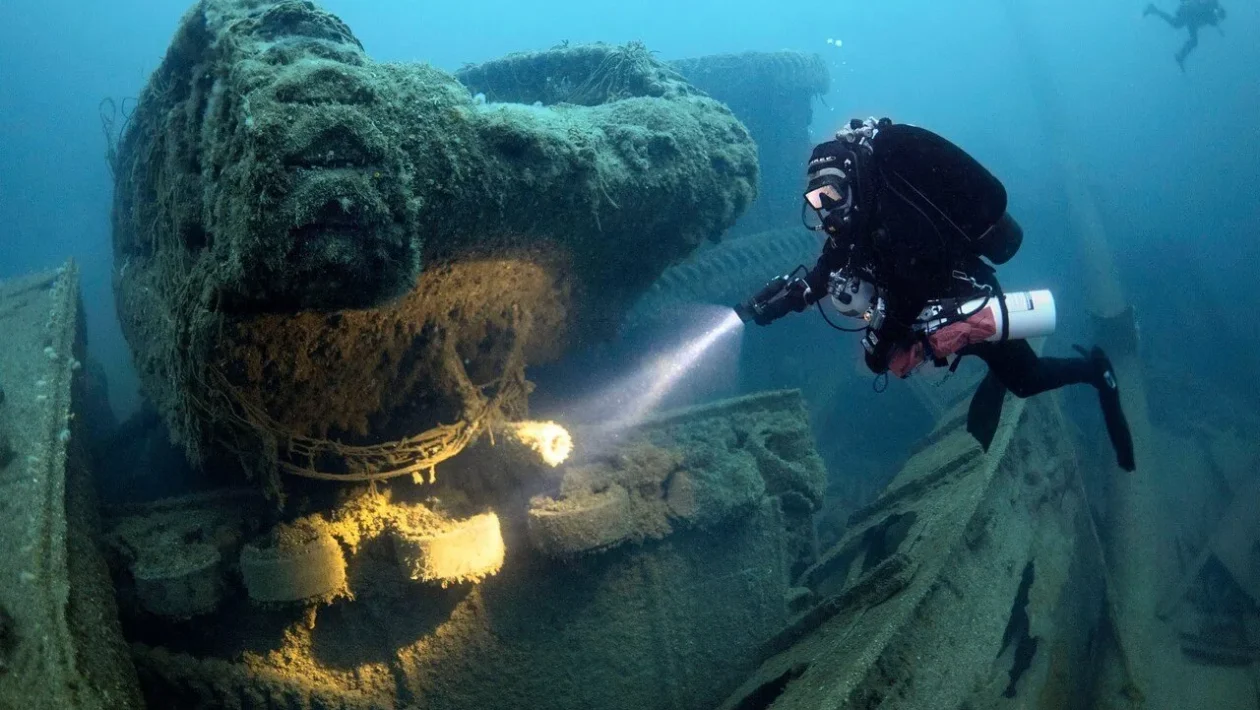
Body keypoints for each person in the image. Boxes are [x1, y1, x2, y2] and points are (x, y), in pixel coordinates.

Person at [734, 118, 1136, 471]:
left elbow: (914, 284)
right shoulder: (860, 217)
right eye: (817, 201)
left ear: (852, 179)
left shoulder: (894, 211)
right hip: (929, 318)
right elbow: (834, 261)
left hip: (965, 301)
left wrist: (882, 344)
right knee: (996, 367)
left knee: (1026, 379)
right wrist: (794, 296)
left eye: (833, 196)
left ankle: (1095, 370)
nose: (828, 211)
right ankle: (1001, 373)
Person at [1144, 0, 1227, 71]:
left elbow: (1210, 19)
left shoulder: (1212, 10)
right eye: (1218, 15)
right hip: (1189, 13)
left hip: (1191, 16)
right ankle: (1154, 10)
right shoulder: (1212, 6)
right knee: (1177, 25)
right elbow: (1208, 15)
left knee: (1186, 34)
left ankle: (1180, 56)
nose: (1217, 17)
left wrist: (1218, 28)